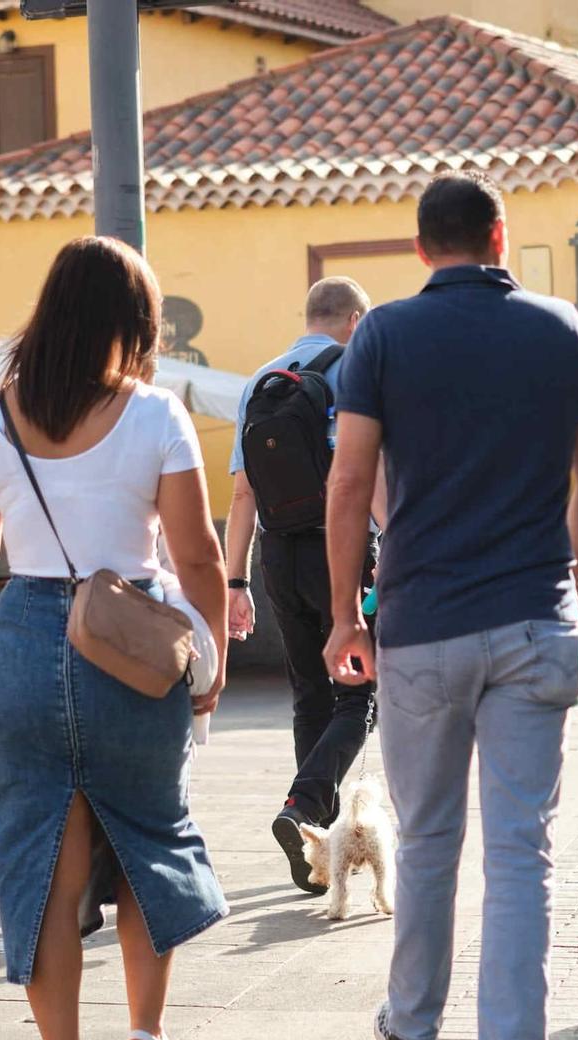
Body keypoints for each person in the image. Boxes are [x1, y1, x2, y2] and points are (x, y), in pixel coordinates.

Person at [321, 171, 578, 1040]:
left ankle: (413, 1030)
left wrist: (342, 616)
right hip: (536, 618)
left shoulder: (382, 335)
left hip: (423, 624)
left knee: (433, 835)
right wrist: (563, 563)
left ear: (420, 249)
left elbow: (348, 481)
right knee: (522, 849)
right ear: (501, 236)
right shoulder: (560, 327)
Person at [0, 236, 229, 1040]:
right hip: (132, 640)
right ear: (132, 324)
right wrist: (211, 655)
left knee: (44, 866)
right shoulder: (156, 416)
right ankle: (146, 1030)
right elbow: (198, 554)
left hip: (26, 640)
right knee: (150, 837)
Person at [224, 277, 383, 894]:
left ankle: (316, 845)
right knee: (359, 697)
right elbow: (364, 478)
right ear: (354, 319)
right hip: (340, 550)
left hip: (277, 555)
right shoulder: (354, 371)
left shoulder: (259, 382)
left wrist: (234, 581)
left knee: (309, 695)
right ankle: (305, 810)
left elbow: (242, 493)